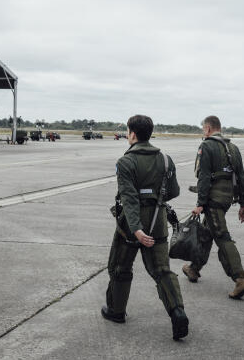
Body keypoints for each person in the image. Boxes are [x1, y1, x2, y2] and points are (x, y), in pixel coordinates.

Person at [101, 114, 189, 341]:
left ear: (132, 133)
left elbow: (129, 199)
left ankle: (116, 311)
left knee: (120, 268)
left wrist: (137, 229)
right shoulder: (165, 160)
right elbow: (174, 191)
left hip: (130, 227)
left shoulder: (126, 162)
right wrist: (154, 197)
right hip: (158, 223)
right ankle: (177, 312)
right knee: (162, 271)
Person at [182, 115, 244, 300]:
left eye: (202, 129)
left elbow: (204, 177)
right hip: (227, 198)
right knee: (207, 232)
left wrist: (200, 204)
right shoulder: (233, 148)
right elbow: (242, 178)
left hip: (213, 200)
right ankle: (194, 268)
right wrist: (243, 204)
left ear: (207, 128)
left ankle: (240, 278)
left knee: (222, 237)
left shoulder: (207, 146)